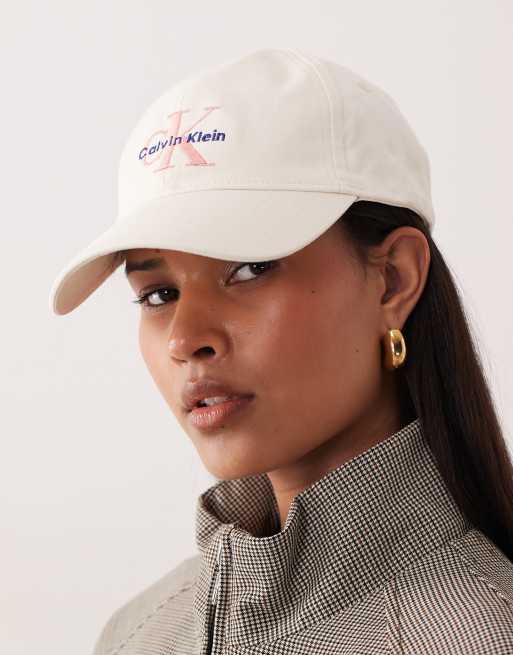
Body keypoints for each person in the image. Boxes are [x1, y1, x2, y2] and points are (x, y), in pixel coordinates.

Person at [49, 48, 513, 654]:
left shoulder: (479, 636)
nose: (186, 340)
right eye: (158, 294)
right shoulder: (136, 635)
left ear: (393, 280)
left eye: (248, 268)